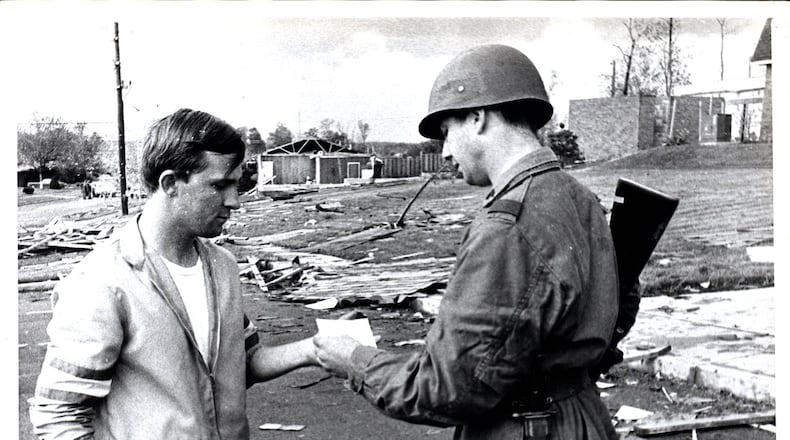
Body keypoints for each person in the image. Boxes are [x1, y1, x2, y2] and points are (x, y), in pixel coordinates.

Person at [314, 44, 619, 440]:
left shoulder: (507, 225)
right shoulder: (579, 197)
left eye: (446, 133)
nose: (444, 153)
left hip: (526, 427)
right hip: (581, 416)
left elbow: (444, 390)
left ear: (477, 118)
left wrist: (355, 361)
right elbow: (620, 307)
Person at [29, 108, 319, 439]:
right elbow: (60, 418)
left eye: (237, 185)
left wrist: (314, 349)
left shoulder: (222, 266)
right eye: (220, 185)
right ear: (170, 184)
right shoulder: (103, 282)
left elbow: (242, 361)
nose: (235, 201)